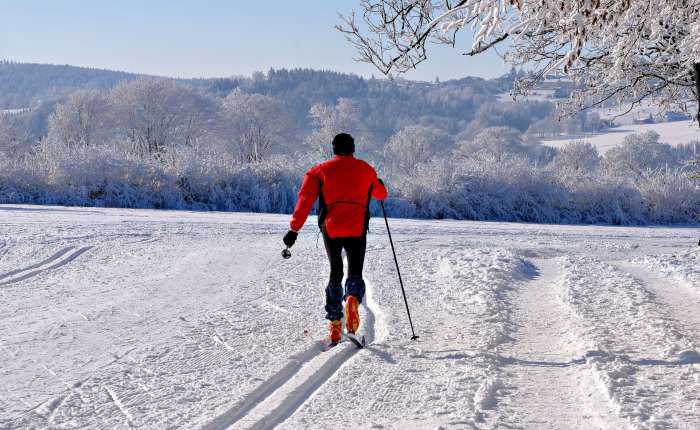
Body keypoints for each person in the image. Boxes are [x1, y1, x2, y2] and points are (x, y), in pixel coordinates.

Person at [283, 133, 387, 343]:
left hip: (331, 228)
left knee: (335, 271)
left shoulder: (319, 171)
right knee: (355, 272)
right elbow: (381, 195)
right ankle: (351, 300)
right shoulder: (366, 170)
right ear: (353, 149)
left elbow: (304, 200)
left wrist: (294, 230)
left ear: (334, 149)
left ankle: (335, 325)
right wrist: (380, 184)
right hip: (357, 228)